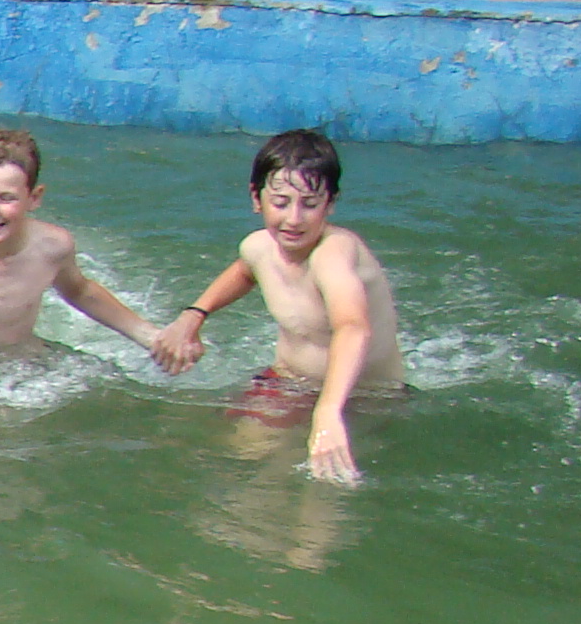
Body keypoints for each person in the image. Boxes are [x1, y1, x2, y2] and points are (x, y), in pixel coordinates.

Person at [149, 128, 405, 484]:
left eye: (310, 204)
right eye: (281, 203)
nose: (294, 219)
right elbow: (244, 271)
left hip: (363, 396)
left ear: (330, 204)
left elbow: (353, 327)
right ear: (257, 199)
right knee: (244, 455)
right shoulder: (259, 247)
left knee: (330, 483)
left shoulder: (334, 254)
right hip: (289, 381)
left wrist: (328, 410)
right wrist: (194, 315)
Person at [0, 128, 165, 406]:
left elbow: (80, 292)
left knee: (112, 390)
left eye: (6, 198)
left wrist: (151, 337)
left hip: (19, 366)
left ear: (34, 197)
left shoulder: (52, 246)